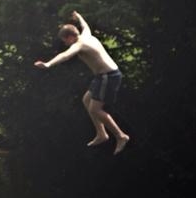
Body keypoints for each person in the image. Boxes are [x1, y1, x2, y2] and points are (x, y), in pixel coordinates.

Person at [34, 11, 130, 154]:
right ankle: (101, 134)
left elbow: (65, 56)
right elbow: (84, 24)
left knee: (95, 109)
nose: (65, 44)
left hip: (108, 76)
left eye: (65, 40)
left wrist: (48, 64)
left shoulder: (79, 45)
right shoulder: (86, 34)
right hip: (102, 76)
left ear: (71, 37)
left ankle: (121, 136)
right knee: (86, 100)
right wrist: (78, 16)